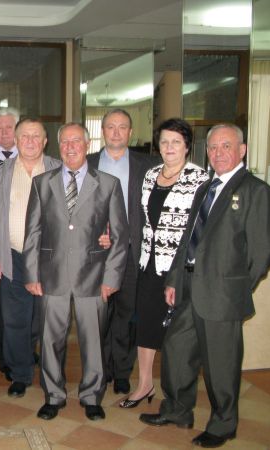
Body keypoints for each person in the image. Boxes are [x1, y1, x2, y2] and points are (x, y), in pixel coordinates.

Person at [140, 124, 270, 448]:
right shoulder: (206, 187)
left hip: (221, 295)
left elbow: (264, 250)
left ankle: (223, 424)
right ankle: (177, 410)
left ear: (242, 151)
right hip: (189, 287)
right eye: (213, 147)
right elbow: (188, 239)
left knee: (220, 363)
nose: (218, 153)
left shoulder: (256, 191)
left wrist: (235, 286)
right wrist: (175, 279)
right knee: (176, 348)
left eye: (226, 146)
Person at [24, 122, 128, 421]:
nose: (70, 147)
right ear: (59, 147)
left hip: (93, 277)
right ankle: (53, 395)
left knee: (93, 341)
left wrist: (112, 278)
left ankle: (92, 396)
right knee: (50, 341)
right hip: (51, 275)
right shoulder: (42, 183)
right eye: (65, 142)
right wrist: (31, 274)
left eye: (76, 142)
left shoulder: (108, 184)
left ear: (87, 145)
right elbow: (33, 232)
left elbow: (119, 236)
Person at [119, 118, 209, 409]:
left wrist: (181, 270)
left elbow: (199, 229)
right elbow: (143, 220)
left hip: (179, 266)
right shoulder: (150, 175)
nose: (169, 147)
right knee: (146, 325)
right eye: (165, 142)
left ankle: (177, 395)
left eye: (176, 142)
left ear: (187, 146)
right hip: (149, 262)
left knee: (176, 334)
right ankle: (144, 384)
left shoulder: (199, 179)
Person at [0, 117, 61, 398]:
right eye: (24, 136)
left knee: (43, 318)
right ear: (15, 141)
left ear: (45, 141)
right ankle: (20, 373)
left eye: (36, 136)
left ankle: (44, 366)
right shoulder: (1, 173)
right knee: (15, 318)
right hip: (12, 256)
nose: (30, 141)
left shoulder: (60, 170)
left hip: (50, 259)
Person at [87, 108, 157, 395]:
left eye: (122, 127)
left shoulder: (149, 165)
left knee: (127, 315)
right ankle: (101, 369)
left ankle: (122, 371)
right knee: (98, 316)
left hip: (131, 252)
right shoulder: (86, 163)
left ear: (130, 132)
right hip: (96, 254)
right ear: (102, 131)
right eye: (110, 126)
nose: (116, 132)